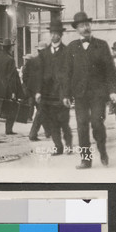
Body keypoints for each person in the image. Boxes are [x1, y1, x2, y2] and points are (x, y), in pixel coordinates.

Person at [63, 12, 116, 169]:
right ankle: (86, 160)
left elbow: (110, 71)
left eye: (87, 25)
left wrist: (112, 91)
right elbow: (67, 73)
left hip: (98, 94)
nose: (85, 28)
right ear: (77, 29)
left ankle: (102, 150)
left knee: (96, 123)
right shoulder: (72, 47)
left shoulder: (101, 45)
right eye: (81, 26)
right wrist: (66, 94)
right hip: (80, 95)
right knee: (81, 125)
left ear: (90, 26)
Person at [35, 20, 73, 155]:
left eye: (56, 33)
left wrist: (68, 94)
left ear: (60, 35)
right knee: (52, 122)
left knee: (64, 122)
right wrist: (38, 91)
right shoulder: (44, 53)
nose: (53, 36)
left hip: (62, 93)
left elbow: (69, 74)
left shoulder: (67, 51)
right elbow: (39, 74)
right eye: (52, 33)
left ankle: (68, 144)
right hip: (47, 93)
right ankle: (58, 147)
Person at [0, 38, 24, 135]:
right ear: (10, 48)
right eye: (12, 47)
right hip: (6, 88)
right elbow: (12, 77)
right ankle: (3, 126)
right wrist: (14, 91)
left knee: (0, 105)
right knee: (12, 107)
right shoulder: (10, 60)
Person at [26, 42, 51, 141]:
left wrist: (31, 88)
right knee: (41, 111)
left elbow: (25, 76)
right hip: (43, 91)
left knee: (43, 110)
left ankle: (49, 131)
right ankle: (33, 134)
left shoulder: (32, 61)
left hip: (33, 91)